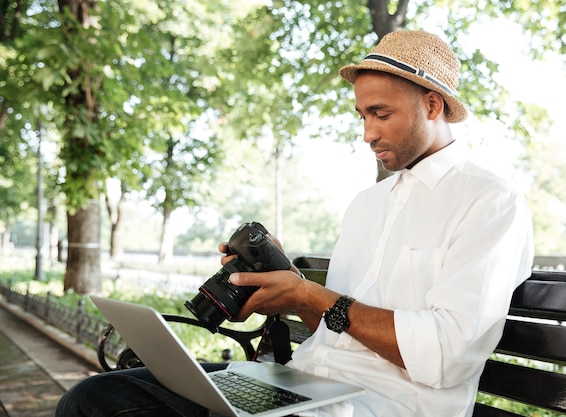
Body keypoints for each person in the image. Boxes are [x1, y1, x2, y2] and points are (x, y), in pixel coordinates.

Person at [56, 30, 534, 417]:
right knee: (93, 398)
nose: (367, 133)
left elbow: (446, 355)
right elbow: (335, 323)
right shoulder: (369, 204)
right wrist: (284, 290)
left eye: (380, 113)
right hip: (301, 386)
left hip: (382, 403)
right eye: (361, 115)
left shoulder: (490, 203)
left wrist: (311, 295)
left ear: (432, 106)